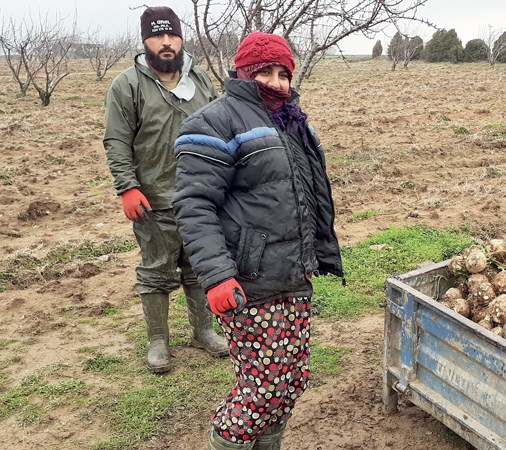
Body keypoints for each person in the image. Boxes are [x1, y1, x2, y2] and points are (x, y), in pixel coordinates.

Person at [172, 32, 344, 450]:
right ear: (244, 73)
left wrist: (316, 252)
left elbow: (309, 196)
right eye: (265, 72)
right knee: (264, 388)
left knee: (292, 381)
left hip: (293, 274)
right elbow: (194, 206)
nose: (278, 82)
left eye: (284, 73)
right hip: (247, 281)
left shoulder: (293, 122)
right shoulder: (213, 122)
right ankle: (224, 442)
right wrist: (215, 277)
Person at [103, 6, 226, 374]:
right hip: (153, 199)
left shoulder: (201, 81)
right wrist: (127, 186)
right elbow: (117, 140)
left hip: (202, 196)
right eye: (158, 36)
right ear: (145, 41)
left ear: (181, 38)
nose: (167, 42)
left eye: (172, 35)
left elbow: (220, 131)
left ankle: (203, 330)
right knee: (156, 271)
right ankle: (158, 340)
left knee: (199, 266)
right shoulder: (127, 85)